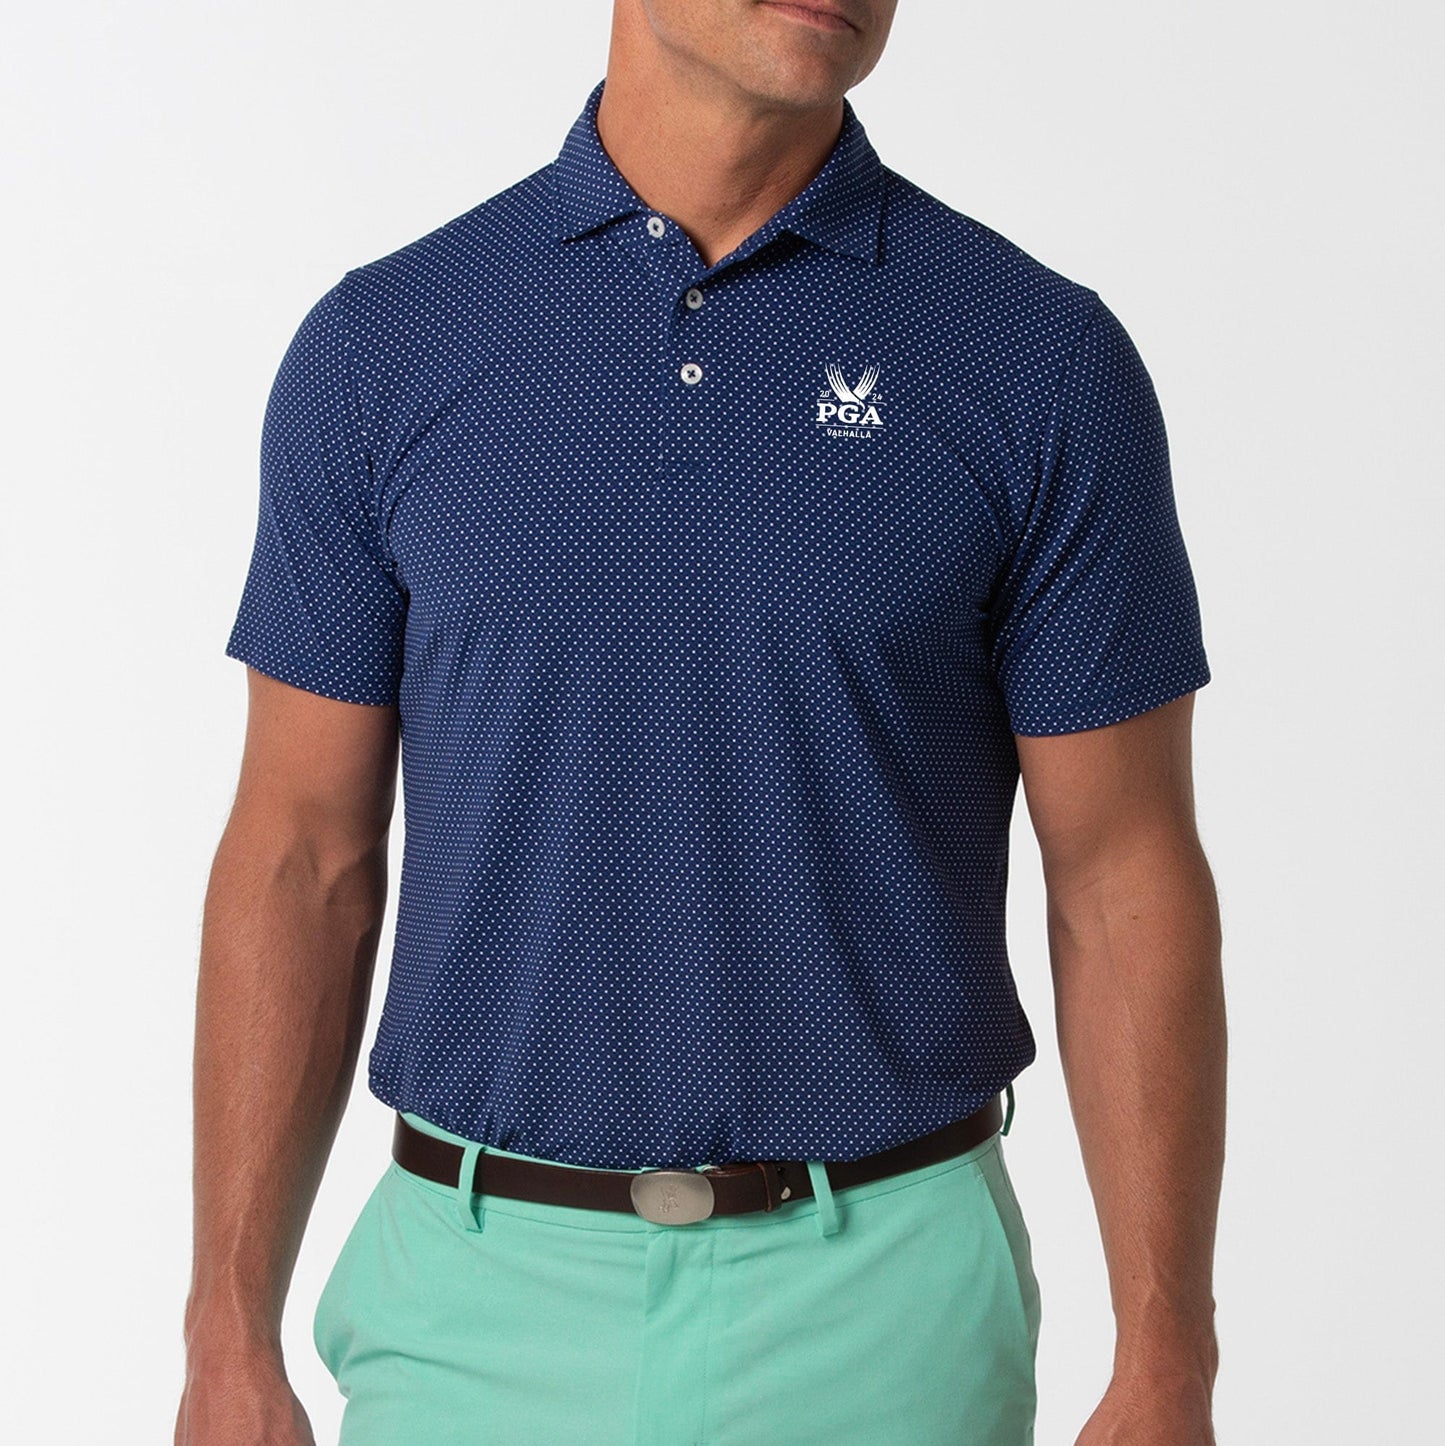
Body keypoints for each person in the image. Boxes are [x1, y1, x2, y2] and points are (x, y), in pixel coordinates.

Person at [176, 2, 1225, 1443]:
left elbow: (1121, 877)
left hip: (884, 1304)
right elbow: (301, 855)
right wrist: (225, 1335)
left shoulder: (1035, 357)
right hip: (477, 1301)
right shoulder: (387, 344)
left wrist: (1168, 1355)